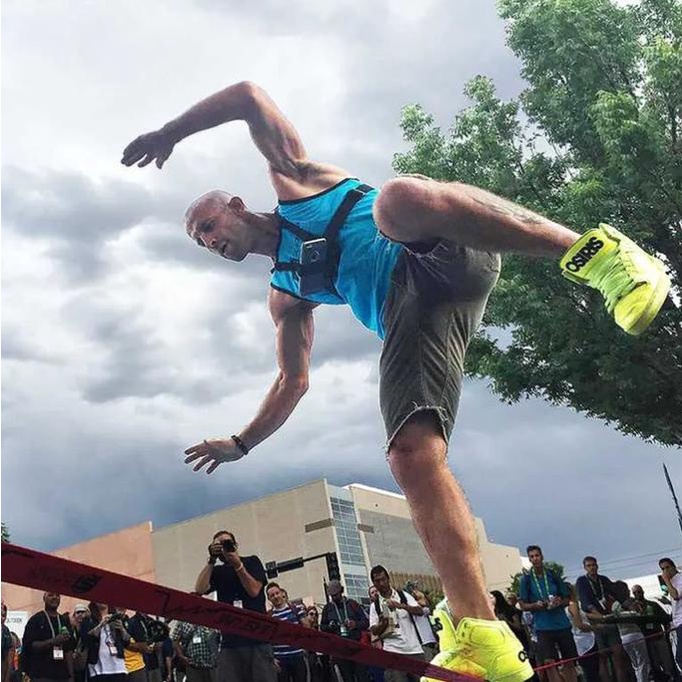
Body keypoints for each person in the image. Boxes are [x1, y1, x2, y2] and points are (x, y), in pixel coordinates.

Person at [122, 79, 670, 682]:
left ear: (235, 205)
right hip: (411, 318)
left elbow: (249, 96)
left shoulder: (297, 182)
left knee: (397, 199)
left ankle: (600, 256)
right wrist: (241, 442)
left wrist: (170, 132)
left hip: (442, 256)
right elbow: (292, 380)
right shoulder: (284, 294)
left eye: (208, 224)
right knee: (410, 456)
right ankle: (482, 636)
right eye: (198, 240)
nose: (208, 240)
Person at [194, 530, 275, 682]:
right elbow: (200, 589)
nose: (223, 547)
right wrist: (211, 560)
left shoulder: (251, 562)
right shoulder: (217, 571)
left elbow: (254, 591)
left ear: (235, 545)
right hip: (230, 641)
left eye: (227, 543)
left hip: (257, 638)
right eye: (218, 545)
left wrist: (238, 565)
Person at [517, 546, 577, 682]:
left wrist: (558, 602)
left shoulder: (552, 575)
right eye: (532, 556)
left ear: (542, 556)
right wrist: (536, 605)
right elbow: (523, 605)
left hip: (561, 624)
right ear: (529, 559)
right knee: (550, 664)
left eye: (537, 555)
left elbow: (567, 599)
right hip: (543, 627)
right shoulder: (526, 580)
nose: (535, 559)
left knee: (569, 661)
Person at [576, 556, 630, 682]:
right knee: (602, 658)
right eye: (589, 566)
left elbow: (616, 594)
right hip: (595, 623)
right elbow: (586, 603)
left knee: (618, 656)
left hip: (609, 620)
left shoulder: (604, 580)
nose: (592, 568)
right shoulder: (582, 581)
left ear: (597, 565)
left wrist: (626, 604)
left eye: (593, 565)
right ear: (585, 568)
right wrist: (600, 616)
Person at [368, 566, 426, 682]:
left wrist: (400, 606)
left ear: (388, 579)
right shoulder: (375, 606)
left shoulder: (403, 595)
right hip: (392, 652)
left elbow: (420, 611)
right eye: (377, 581)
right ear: (374, 583)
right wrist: (382, 623)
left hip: (414, 650)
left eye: (383, 579)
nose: (381, 583)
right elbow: (374, 631)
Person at [319, 580, 369, 682]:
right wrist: (330, 627)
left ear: (341, 591)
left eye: (336, 595)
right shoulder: (328, 608)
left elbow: (366, 622)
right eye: (332, 596)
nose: (334, 598)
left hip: (356, 647)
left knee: (362, 677)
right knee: (347, 678)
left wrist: (355, 624)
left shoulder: (352, 604)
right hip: (340, 650)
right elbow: (322, 627)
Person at [21, 592, 75, 682]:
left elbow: (68, 650)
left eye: (57, 595)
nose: (54, 597)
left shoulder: (64, 621)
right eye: (50, 595)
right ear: (44, 598)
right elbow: (31, 646)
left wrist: (71, 675)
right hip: (40, 675)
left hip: (62, 675)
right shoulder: (36, 620)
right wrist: (53, 641)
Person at [630, 584, 675, 680]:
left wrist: (666, 633)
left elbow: (665, 618)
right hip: (646, 639)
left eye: (639, 592)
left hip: (658, 636)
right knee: (653, 662)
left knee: (666, 660)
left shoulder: (653, 604)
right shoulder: (633, 608)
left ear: (643, 592)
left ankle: (671, 677)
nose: (637, 594)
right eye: (635, 593)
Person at [608, 582, 650, 682]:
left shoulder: (614, 605)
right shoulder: (630, 602)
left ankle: (640, 679)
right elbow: (639, 614)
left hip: (623, 636)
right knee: (642, 661)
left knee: (635, 663)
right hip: (635, 633)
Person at [265, 583, 307, 682]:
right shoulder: (269, 617)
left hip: (298, 656)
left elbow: (307, 629)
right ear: (269, 599)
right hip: (280, 660)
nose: (276, 596)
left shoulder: (296, 610)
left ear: (281, 593)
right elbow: (267, 640)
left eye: (277, 593)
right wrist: (272, 659)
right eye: (272, 595)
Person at [81, 603, 130, 682]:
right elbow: (86, 640)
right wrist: (101, 625)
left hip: (118, 666)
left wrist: (122, 629)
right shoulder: (89, 618)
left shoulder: (117, 616)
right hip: (98, 667)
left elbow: (127, 641)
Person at [564, 584, 599, 682]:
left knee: (587, 672)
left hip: (576, 642)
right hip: (586, 641)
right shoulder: (573, 605)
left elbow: (586, 615)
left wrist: (602, 617)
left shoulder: (564, 609)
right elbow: (580, 625)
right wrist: (595, 628)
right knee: (592, 672)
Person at [171, 617, 220, 682]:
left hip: (212, 665)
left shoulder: (212, 619)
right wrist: (181, 655)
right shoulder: (182, 621)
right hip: (193, 665)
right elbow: (174, 639)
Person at [659, 557, 682, 676]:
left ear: (673, 567)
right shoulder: (673, 582)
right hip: (677, 622)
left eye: (667, 567)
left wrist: (666, 581)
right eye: (663, 569)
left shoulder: (680, 579)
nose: (665, 571)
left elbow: (676, 596)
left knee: (680, 657)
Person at [1, 604, 13, 682]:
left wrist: (6, 678)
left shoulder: (5, 631)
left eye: (3, 615)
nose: (2, 618)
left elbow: (8, 658)